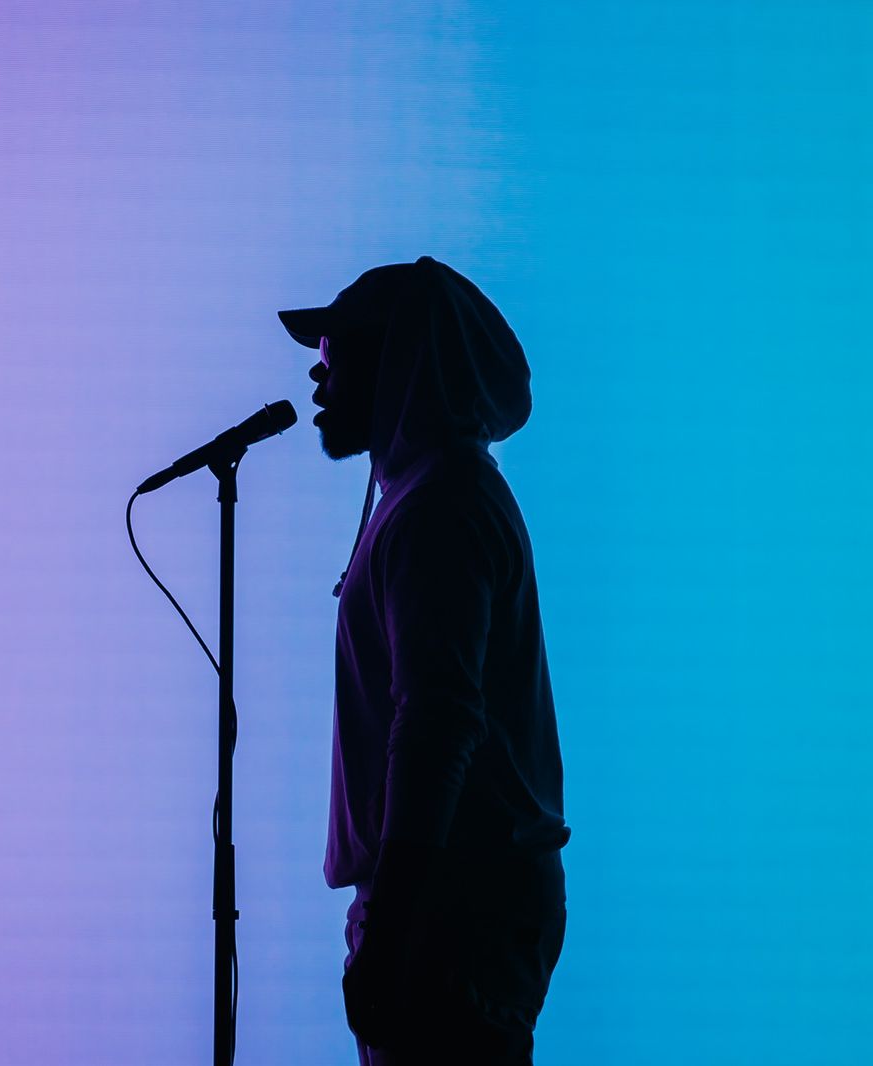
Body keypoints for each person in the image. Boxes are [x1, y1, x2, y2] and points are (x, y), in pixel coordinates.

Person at [278, 257, 571, 1065]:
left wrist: (394, 927)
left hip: (450, 907)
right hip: (447, 900)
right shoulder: (431, 495)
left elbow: (437, 724)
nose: (319, 371)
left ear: (399, 360)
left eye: (337, 349)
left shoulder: (439, 507)